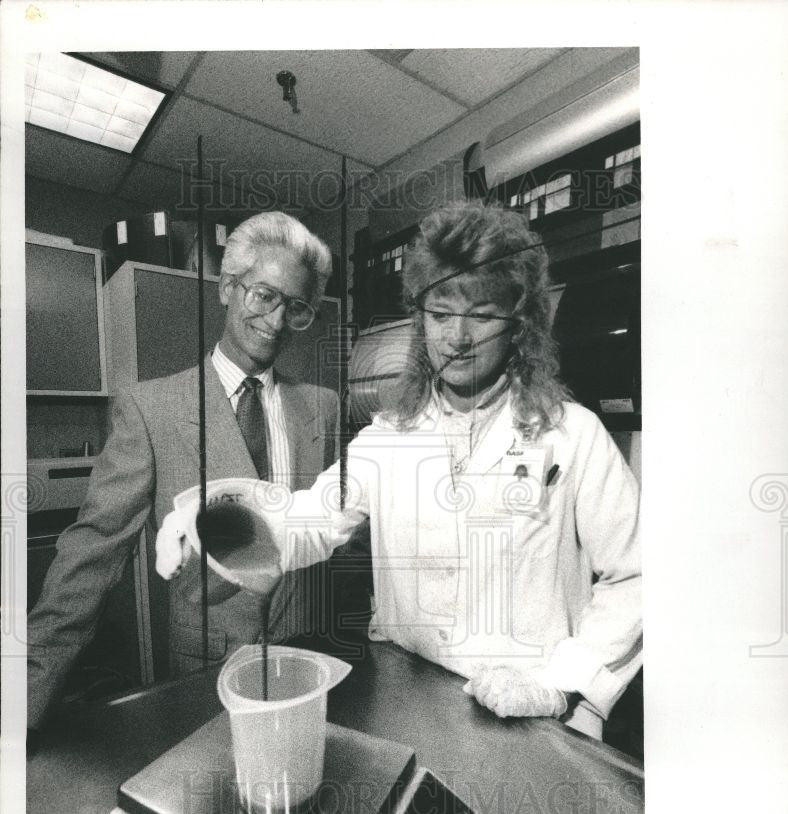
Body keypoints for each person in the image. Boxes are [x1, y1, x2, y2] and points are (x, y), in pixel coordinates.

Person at [157, 200, 642, 740]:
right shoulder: (390, 437)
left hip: (532, 717)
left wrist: (563, 685)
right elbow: (307, 520)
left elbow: (637, 572)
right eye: (439, 314)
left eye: (480, 316)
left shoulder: (571, 434)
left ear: (517, 324)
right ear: (420, 320)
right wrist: (208, 520)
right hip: (411, 700)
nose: (456, 338)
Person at [27, 211, 340, 731]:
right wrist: (21, 709)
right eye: (264, 296)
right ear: (227, 288)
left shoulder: (323, 407)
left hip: (306, 659)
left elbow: (335, 531)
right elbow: (90, 558)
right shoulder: (151, 409)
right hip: (207, 670)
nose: (277, 320)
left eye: (297, 306)